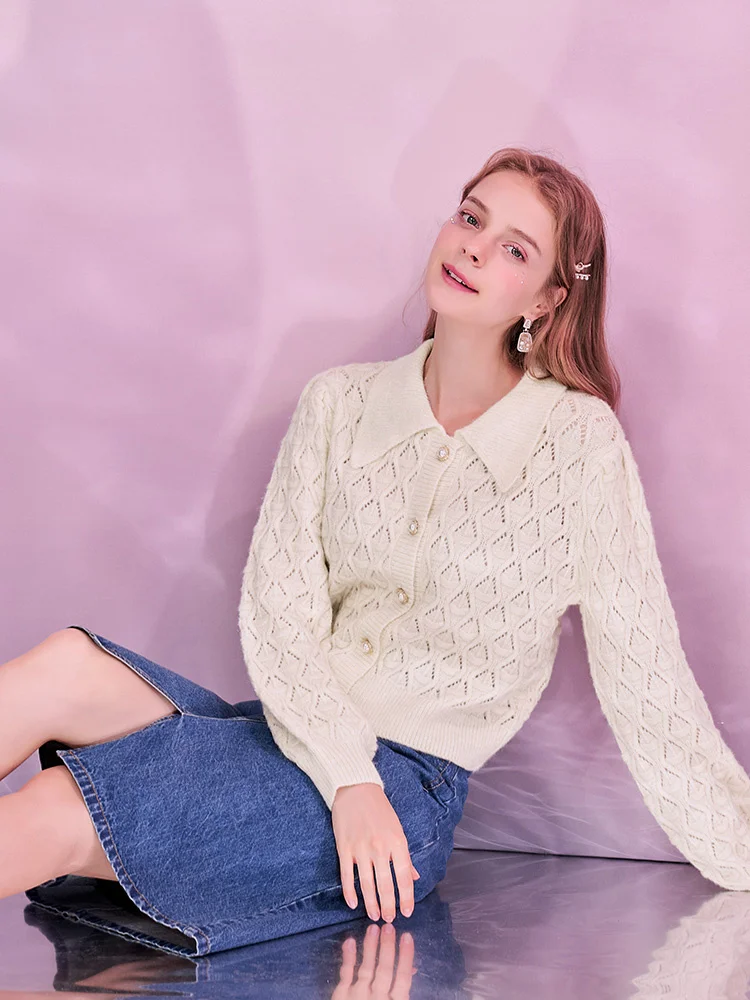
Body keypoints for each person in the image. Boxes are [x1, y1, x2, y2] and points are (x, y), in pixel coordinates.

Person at [5, 147, 749, 959]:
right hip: (295, 738)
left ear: (546, 297)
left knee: (56, 811)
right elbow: (280, 615)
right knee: (68, 664)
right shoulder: (339, 404)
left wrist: (738, 844)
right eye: (471, 218)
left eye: (514, 248)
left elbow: (644, 668)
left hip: (402, 791)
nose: (473, 247)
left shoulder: (578, 446)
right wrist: (344, 771)